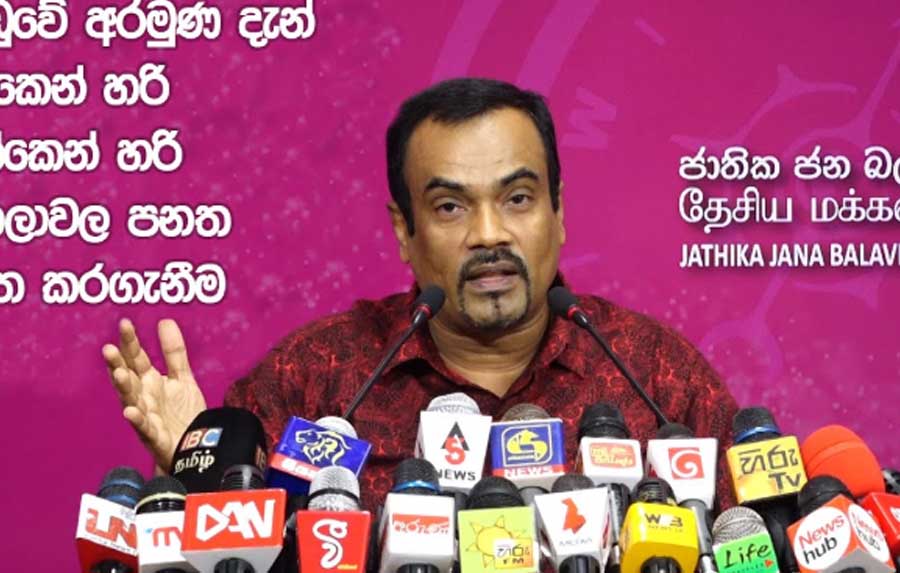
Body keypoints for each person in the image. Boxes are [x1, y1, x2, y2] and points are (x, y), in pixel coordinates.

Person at [103, 77, 739, 510]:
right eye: (450, 207)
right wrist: (193, 469)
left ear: (559, 212)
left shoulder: (656, 375)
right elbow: (226, 548)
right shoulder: (315, 377)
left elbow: (754, 537)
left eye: (518, 199)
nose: (489, 234)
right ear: (404, 231)